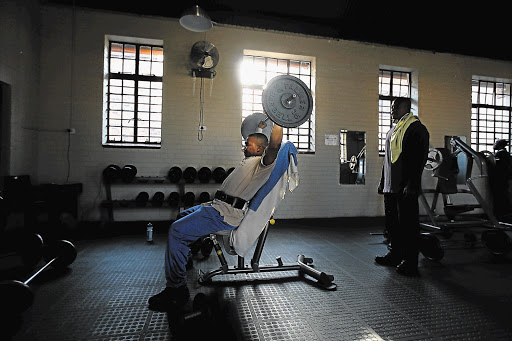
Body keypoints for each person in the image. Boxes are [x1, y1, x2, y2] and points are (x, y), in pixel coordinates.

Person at [148, 118, 283, 311]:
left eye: (248, 145)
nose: (244, 146)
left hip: (223, 214)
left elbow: (274, 146)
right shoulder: (250, 160)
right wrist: (260, 126)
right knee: (180, 218)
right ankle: (183, 262)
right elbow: (257, 138)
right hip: (214, 206)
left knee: (176, 231)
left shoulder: (262, 165)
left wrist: (278, 121)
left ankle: (176, 290)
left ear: (259, 150)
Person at [376, 97, 429, 276]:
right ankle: (395, 254)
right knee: (392, 224)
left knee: (408, 225)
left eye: (395, 107)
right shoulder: (394, 130)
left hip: (406, 187)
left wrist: (412, 184)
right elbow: (388, 161)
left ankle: (410, 261)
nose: (392, 111)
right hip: (391, 187)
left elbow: (418, 160)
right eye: (392, 108)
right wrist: (383, 182)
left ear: (405, 108)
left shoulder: (416, 129)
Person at [491, 139, 511, 219]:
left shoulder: (501, 155)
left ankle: (501, 215)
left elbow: (498, 168)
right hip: (503, 180)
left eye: (495, 143)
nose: (493, 145)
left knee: (500, 197)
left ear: (499, 145)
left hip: (499, 180)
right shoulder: (505, 154)